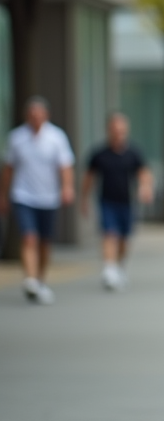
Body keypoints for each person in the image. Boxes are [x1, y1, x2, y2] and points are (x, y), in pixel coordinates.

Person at [0, 97, 76, 305]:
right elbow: (9, 169)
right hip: (23, 195)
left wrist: (67, 187)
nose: (35, 119)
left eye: (39, 115)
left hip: (48, 197)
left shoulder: (56, 137)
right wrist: (3, 195)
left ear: (46, 116)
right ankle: (31, 279)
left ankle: (40, 279)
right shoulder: (16, 138)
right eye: (31, 115)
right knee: (29, 237)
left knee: (44, 242)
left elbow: (65, 166)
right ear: (26, 117)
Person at [80, 112, 153, 290]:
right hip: (106, 201)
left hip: (127, 202)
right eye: (115, 130)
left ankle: (118, 267)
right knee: (109, 233)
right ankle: (109, 269)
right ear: (108, 131)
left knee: (123, 239)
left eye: (122, 130)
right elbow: (89, 178)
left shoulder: (133, 152)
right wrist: (84, 199)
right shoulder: (99, 154)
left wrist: (145, 188)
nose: (118, 133)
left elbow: (143, 173)